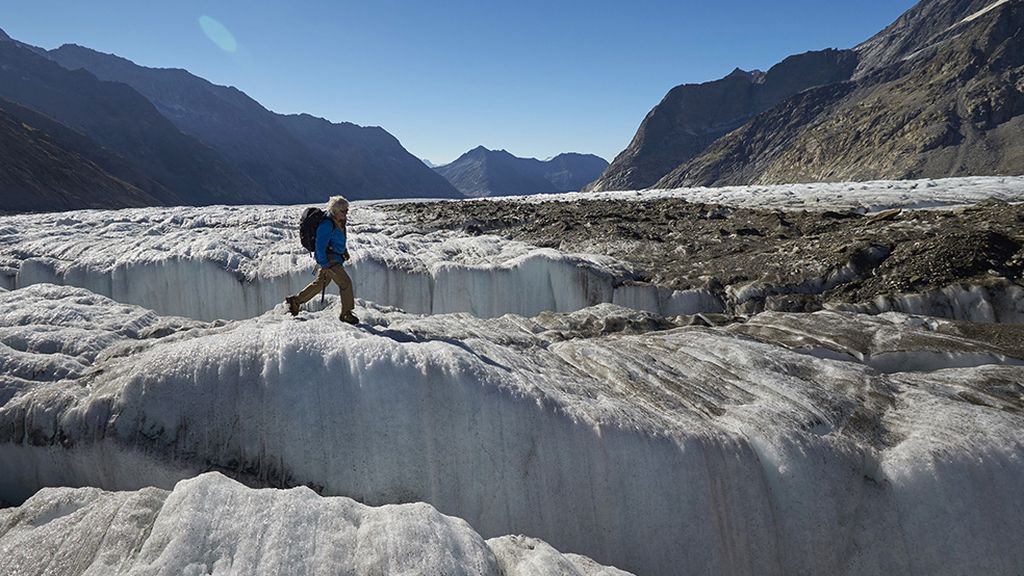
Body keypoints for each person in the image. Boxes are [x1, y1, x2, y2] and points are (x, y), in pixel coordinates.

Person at [285, 196, 358, 324]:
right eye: (343, 211)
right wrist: (324, 264)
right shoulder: (327, 225)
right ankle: (346, 313)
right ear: (335, 211)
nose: (346, 213)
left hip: (334, 257)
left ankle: (296, 301)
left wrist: (344, 251)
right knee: (345, 283)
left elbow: (338, 240)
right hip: (330, 260)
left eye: (347, 210)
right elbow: (320, 246)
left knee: (320, 284)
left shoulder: (338, 221)